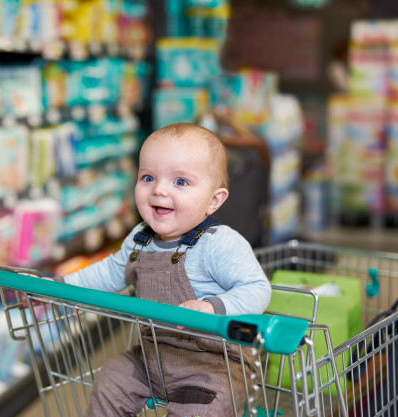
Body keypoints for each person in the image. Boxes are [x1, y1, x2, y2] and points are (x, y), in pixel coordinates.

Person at [53, 122, 271, 416]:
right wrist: (60, 287)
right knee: (111, 379)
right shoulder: (140, 239)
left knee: (202, 409)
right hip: (152, 355)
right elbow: (109, 273)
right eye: (148, 177)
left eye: (180, 182)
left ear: (213, 200)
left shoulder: (218, 244)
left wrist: (212, 307)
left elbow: (258, 289)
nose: (158, 190)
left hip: (214, 365)